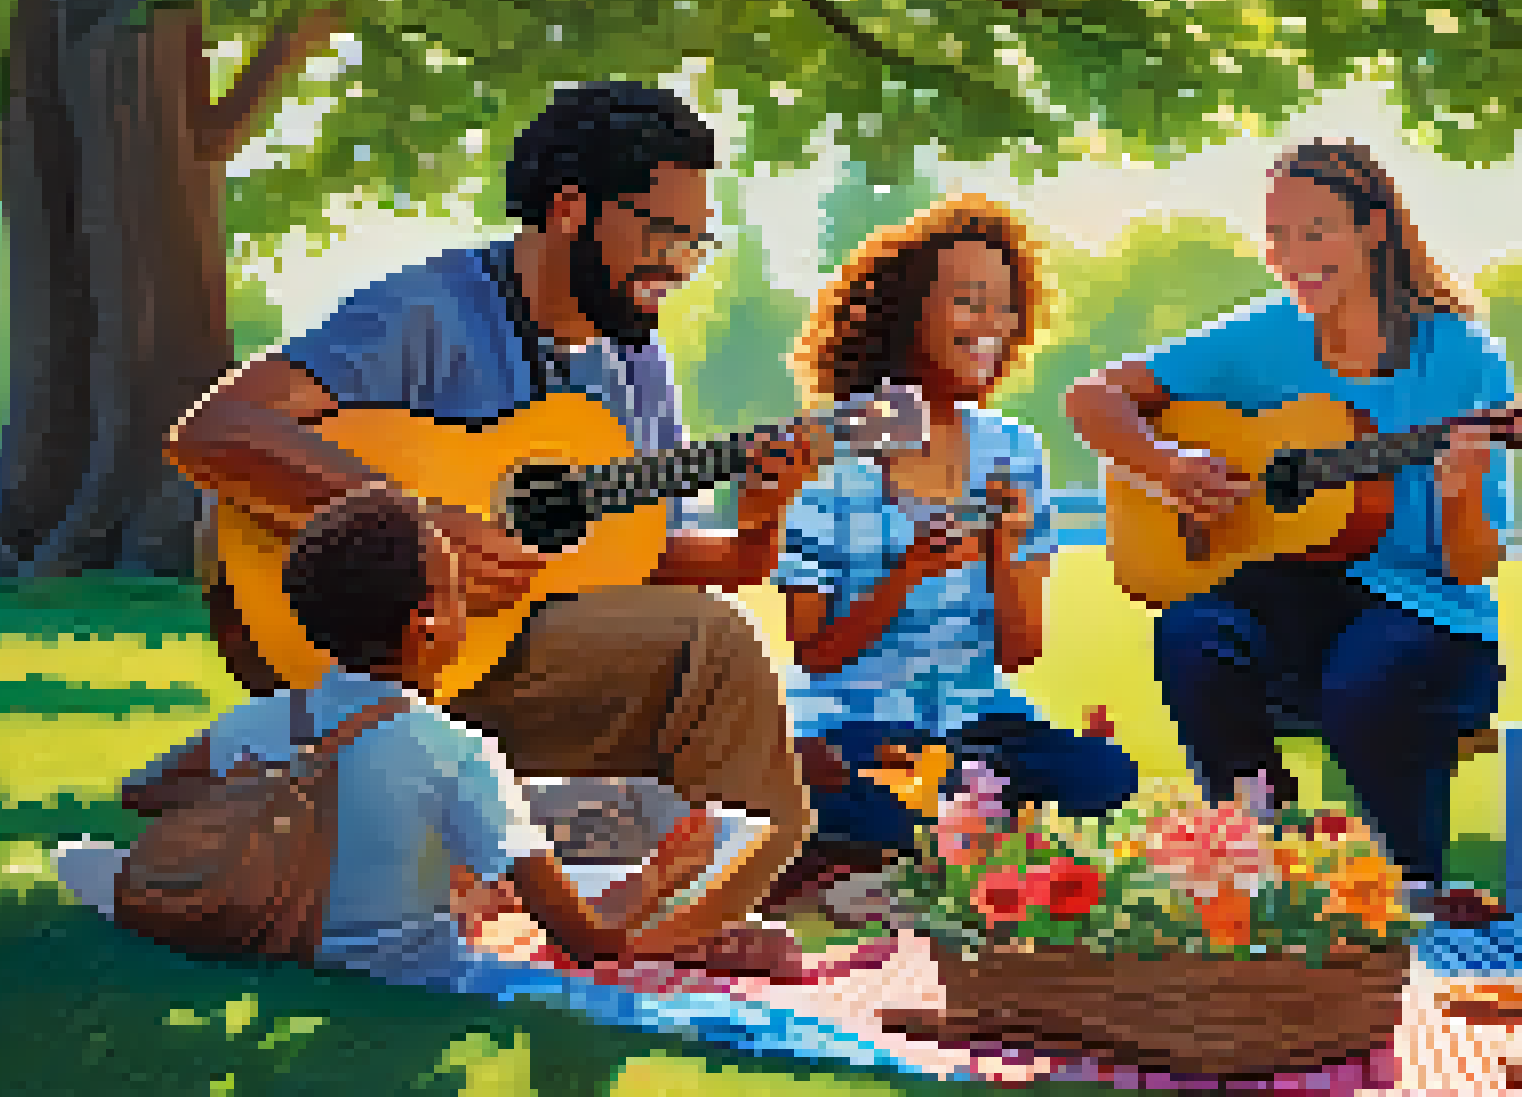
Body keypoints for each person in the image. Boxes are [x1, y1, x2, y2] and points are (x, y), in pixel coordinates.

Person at [164, 81, 827, 952]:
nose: (679, 261)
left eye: (695, 239)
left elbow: (645, 561)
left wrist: (759, 528)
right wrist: (418, 524)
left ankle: (690, 898)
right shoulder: (429, 312)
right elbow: (212, 433)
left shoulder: (638, 368)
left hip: (513, 650)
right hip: (371, 652)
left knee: (715, 636)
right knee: (715, 647)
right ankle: (681, 921)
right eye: (661, 232)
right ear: (568, 208)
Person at [1065, 140, 1512, 923]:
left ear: (1375, 230)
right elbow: (1092, 399)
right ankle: (1255, 856)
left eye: (1316, 232)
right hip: (1294, 599)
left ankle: (1410, 885)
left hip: (1429, 614)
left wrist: (1463, 494)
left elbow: (1471, 566)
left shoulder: (1462, 357)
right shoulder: (1265, 334)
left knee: (1364, 680)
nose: (1290, 257)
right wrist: (1168, 468)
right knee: (1194, 632)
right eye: (1276, 236)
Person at [76, 485, 726, 988]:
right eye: (456, 591)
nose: (468, 605)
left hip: (281, 933)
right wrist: (665, 876)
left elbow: (140, 794)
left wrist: (256, 795)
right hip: (418, 971)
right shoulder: (455, 751)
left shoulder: (261, 721)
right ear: (426, 626)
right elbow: (585, 942)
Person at [772, 194, 1139, 904]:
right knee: (881, 797)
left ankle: (912, 846)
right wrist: (906, 573)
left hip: (974, 723)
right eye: (969, 302)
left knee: (1105, 776)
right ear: (906, 315)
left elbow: (1020, 652)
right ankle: (938, 839)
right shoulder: (837, 458)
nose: (992, 327)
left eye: (1004, 307)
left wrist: (1006, 549)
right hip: (859, 724)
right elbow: (813, 652)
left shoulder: (1013, 449)